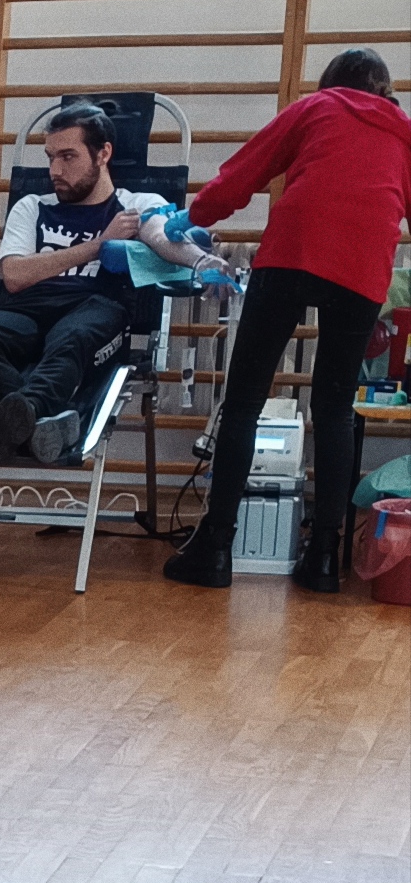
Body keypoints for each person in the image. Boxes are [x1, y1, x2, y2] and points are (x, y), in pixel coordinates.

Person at [166, 47, 411, 594]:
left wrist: (193, 216)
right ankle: (323, 557)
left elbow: (245, 172)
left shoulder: (317, 107)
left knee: (244, 400)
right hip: (362, 267)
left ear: (332, 83)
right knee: (335, 410)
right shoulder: (404, 134)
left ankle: (214, 549)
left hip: (293, 252)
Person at [0, 103, 201, 466]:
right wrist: (100, 244)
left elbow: (165, 239)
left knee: (72, 337)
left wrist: (204, 260)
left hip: (94, 312)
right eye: (50, 157)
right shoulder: (32, 206)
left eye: (68, 156)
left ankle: (27, 414)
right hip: (28, 313)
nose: (55, 170)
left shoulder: (136, 205)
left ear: (103, 154)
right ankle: (40, 423)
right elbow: (15, 276)